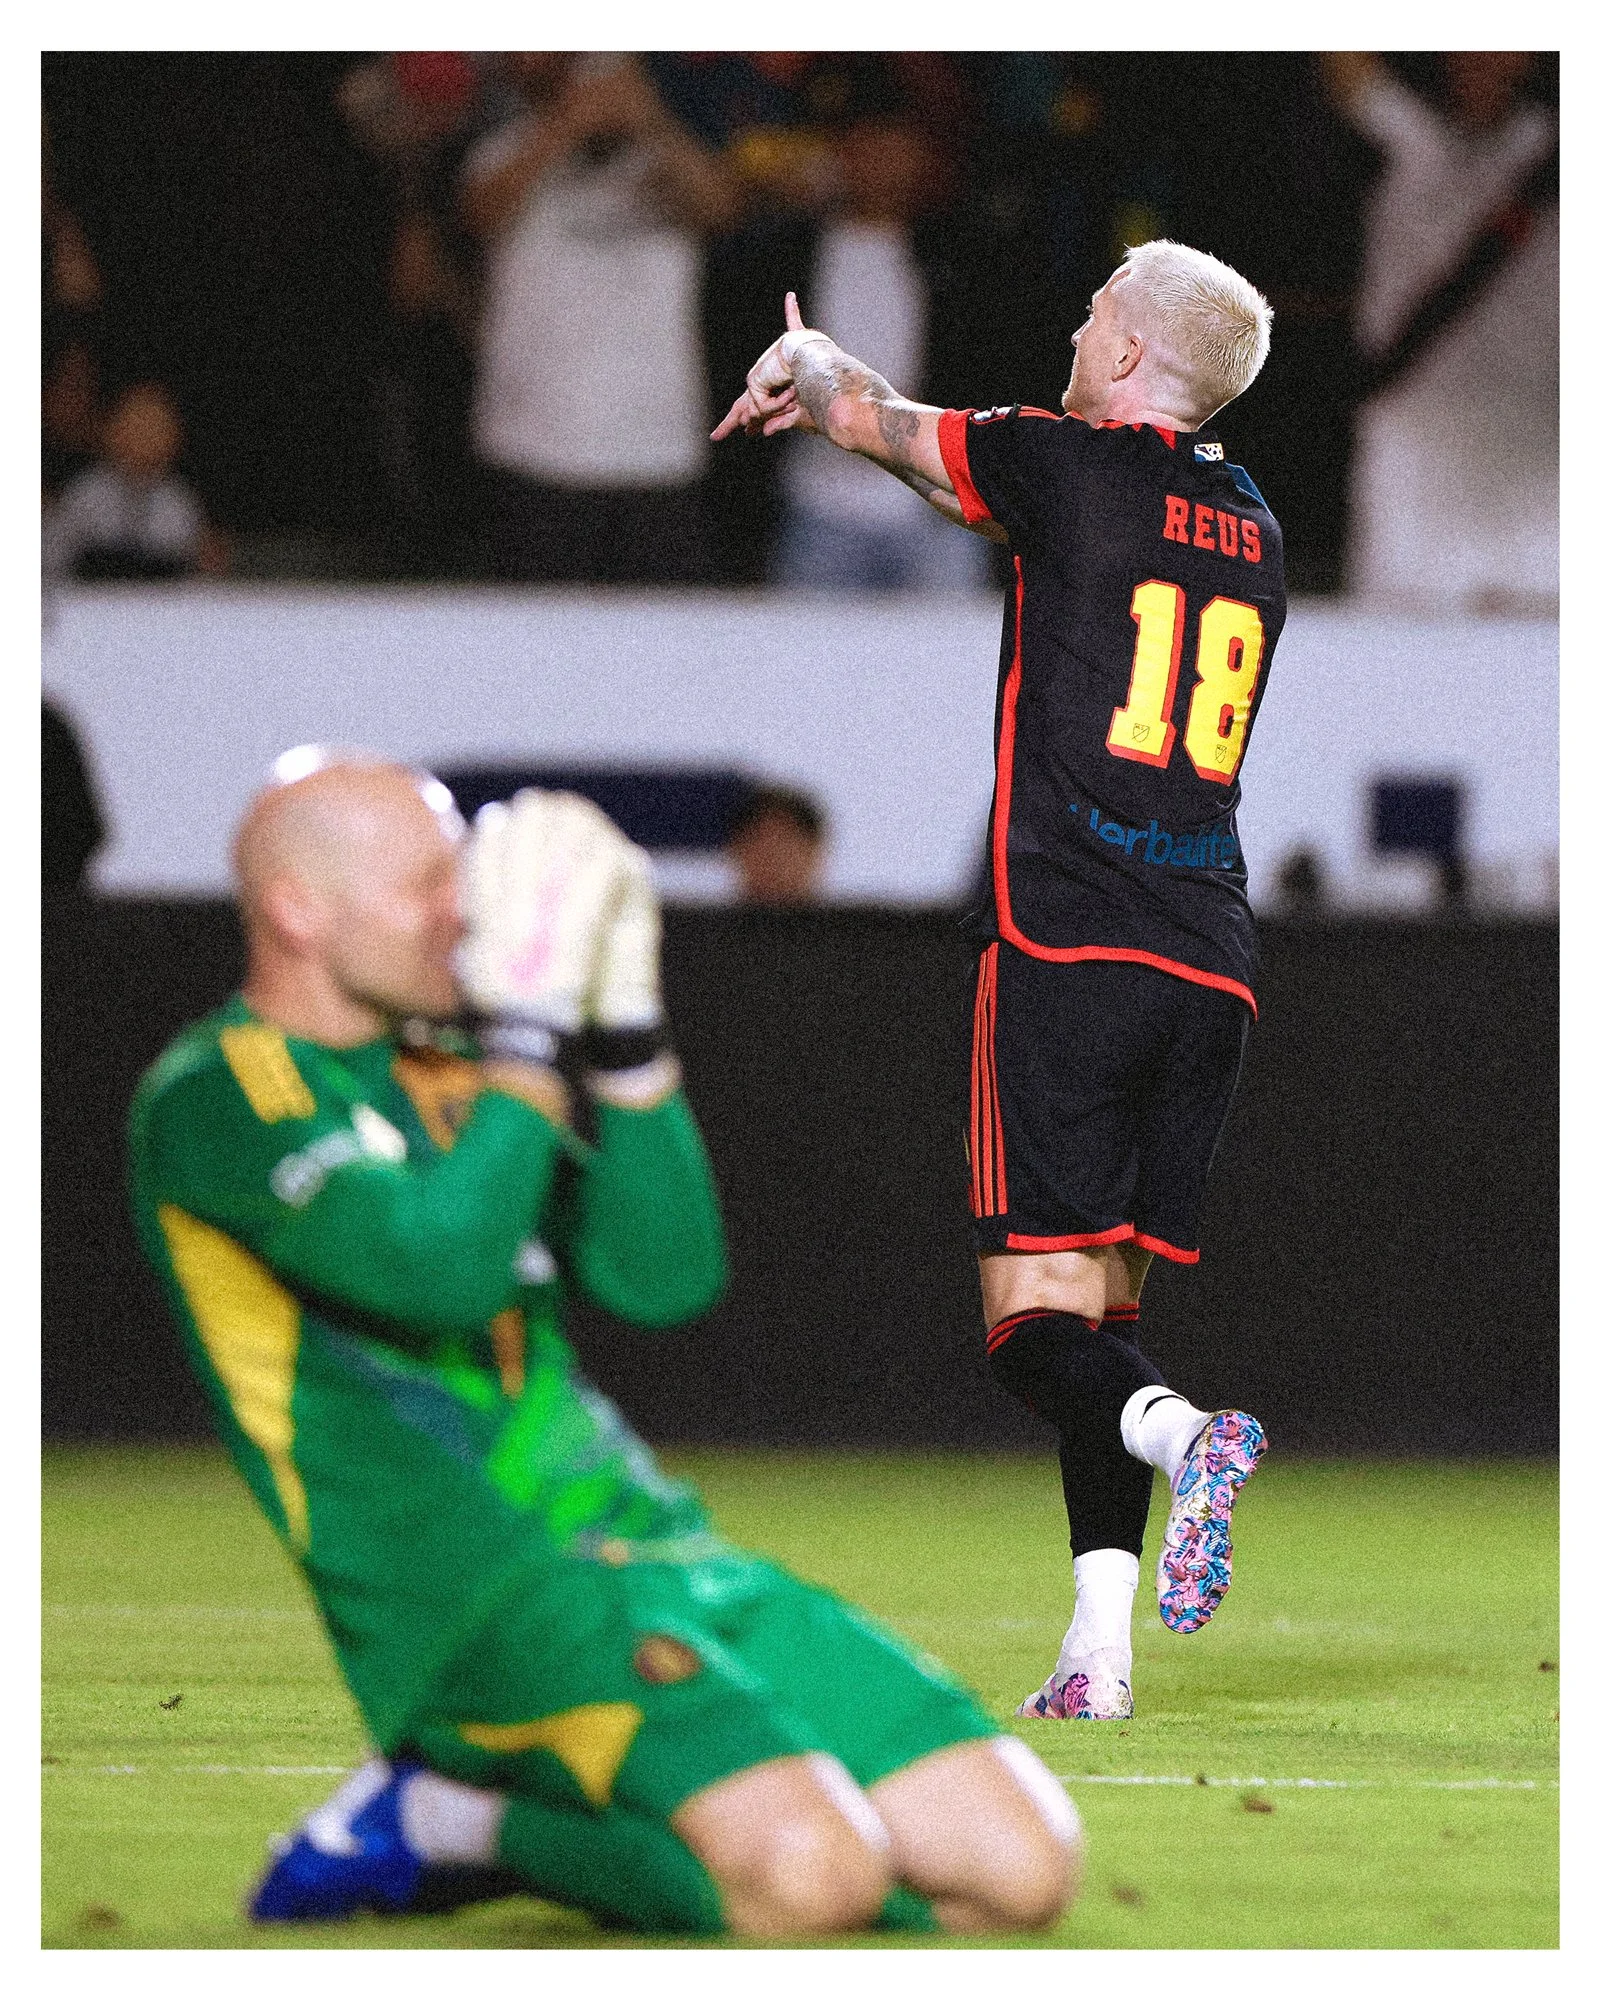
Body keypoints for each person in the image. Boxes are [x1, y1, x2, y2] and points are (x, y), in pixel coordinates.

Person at [127, 752, 1081, 1936]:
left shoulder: (450, 1072)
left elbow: (663, 1277)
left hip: (653, 1548)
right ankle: (443, 1817)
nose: (464, 912)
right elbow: (436, 1266)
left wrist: (625, 1036)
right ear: (298, 909)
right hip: (479, 1606)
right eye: (428, 884)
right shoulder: (217, 1094)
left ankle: (504, 1818)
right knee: (812, 1881)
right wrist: (527, 1041)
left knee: (1021, 1870)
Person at [714, 240, 1284, 1721]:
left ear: (1135, 354)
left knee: (1034, 1333)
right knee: (1104, 1323)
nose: (1075, 329)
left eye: (1095, 313)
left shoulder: (1062, 464)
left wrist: (806, 360)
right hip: (1210, 963)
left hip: (1066, 945)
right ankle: (1098, 1655)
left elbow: (874, 422)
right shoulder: (1252, 524)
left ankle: (1186, 1436)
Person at [461, 53, 740, 584]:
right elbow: (481, 213)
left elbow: (721, 207)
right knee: (530, 632)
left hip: (657, 456)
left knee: (662, 634)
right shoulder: (506, 148)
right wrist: (566, 124)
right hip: (531, 452)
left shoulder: (666, 160)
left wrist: (651, 122)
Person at [1322, 52, 1556, 614]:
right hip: (1415, 447)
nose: (1482, 56)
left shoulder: (1556, 154)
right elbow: (1345, 65)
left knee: (1547, 654)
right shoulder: (1408, 136)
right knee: (1397, 647)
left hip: (1536, 454)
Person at [43, 381, 228, 583]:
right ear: (113, 430)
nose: (146, 437)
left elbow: (197, 573)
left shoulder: (178, 502)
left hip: (161, 601)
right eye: (138, 425)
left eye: (156, 427)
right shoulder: (86, 494)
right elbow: (51, 563)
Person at [727, 783, 827, 904]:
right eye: (760, 843)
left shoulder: (842, 916)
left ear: (812, 849)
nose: (772, 858)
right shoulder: (711, 916)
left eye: (784, 843)